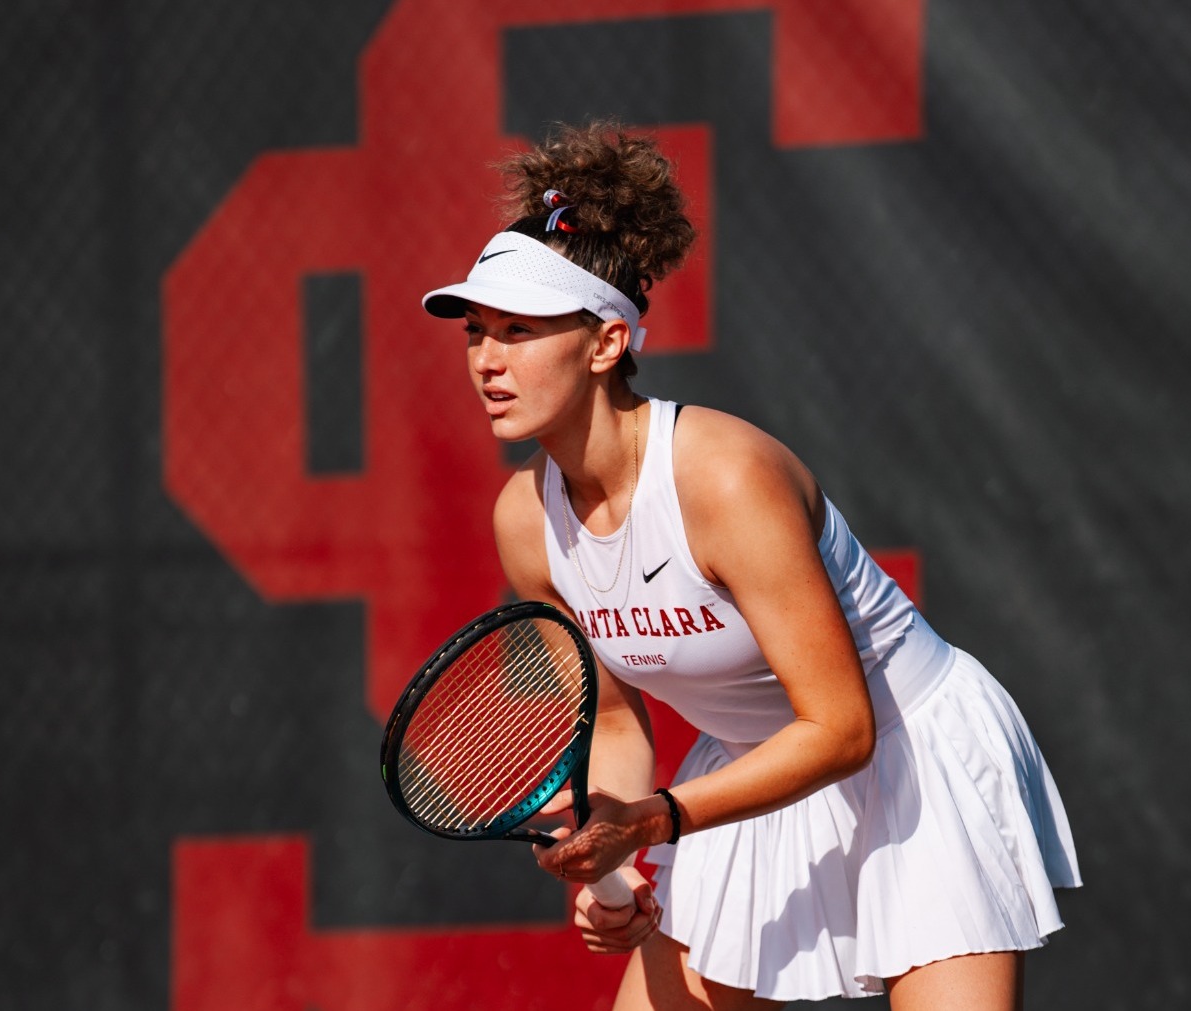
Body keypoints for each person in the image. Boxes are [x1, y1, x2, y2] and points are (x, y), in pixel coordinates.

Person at [421, 121, 1080, 1010]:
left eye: (518, 331)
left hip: (905, 745)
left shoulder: (726, 478)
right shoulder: (523, 522)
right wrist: (610, 857)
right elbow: (611, 724)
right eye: (475, 332)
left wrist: (650, 821)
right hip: (747, 770)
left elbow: (841, 727)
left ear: (606, 343)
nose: (488, 361)